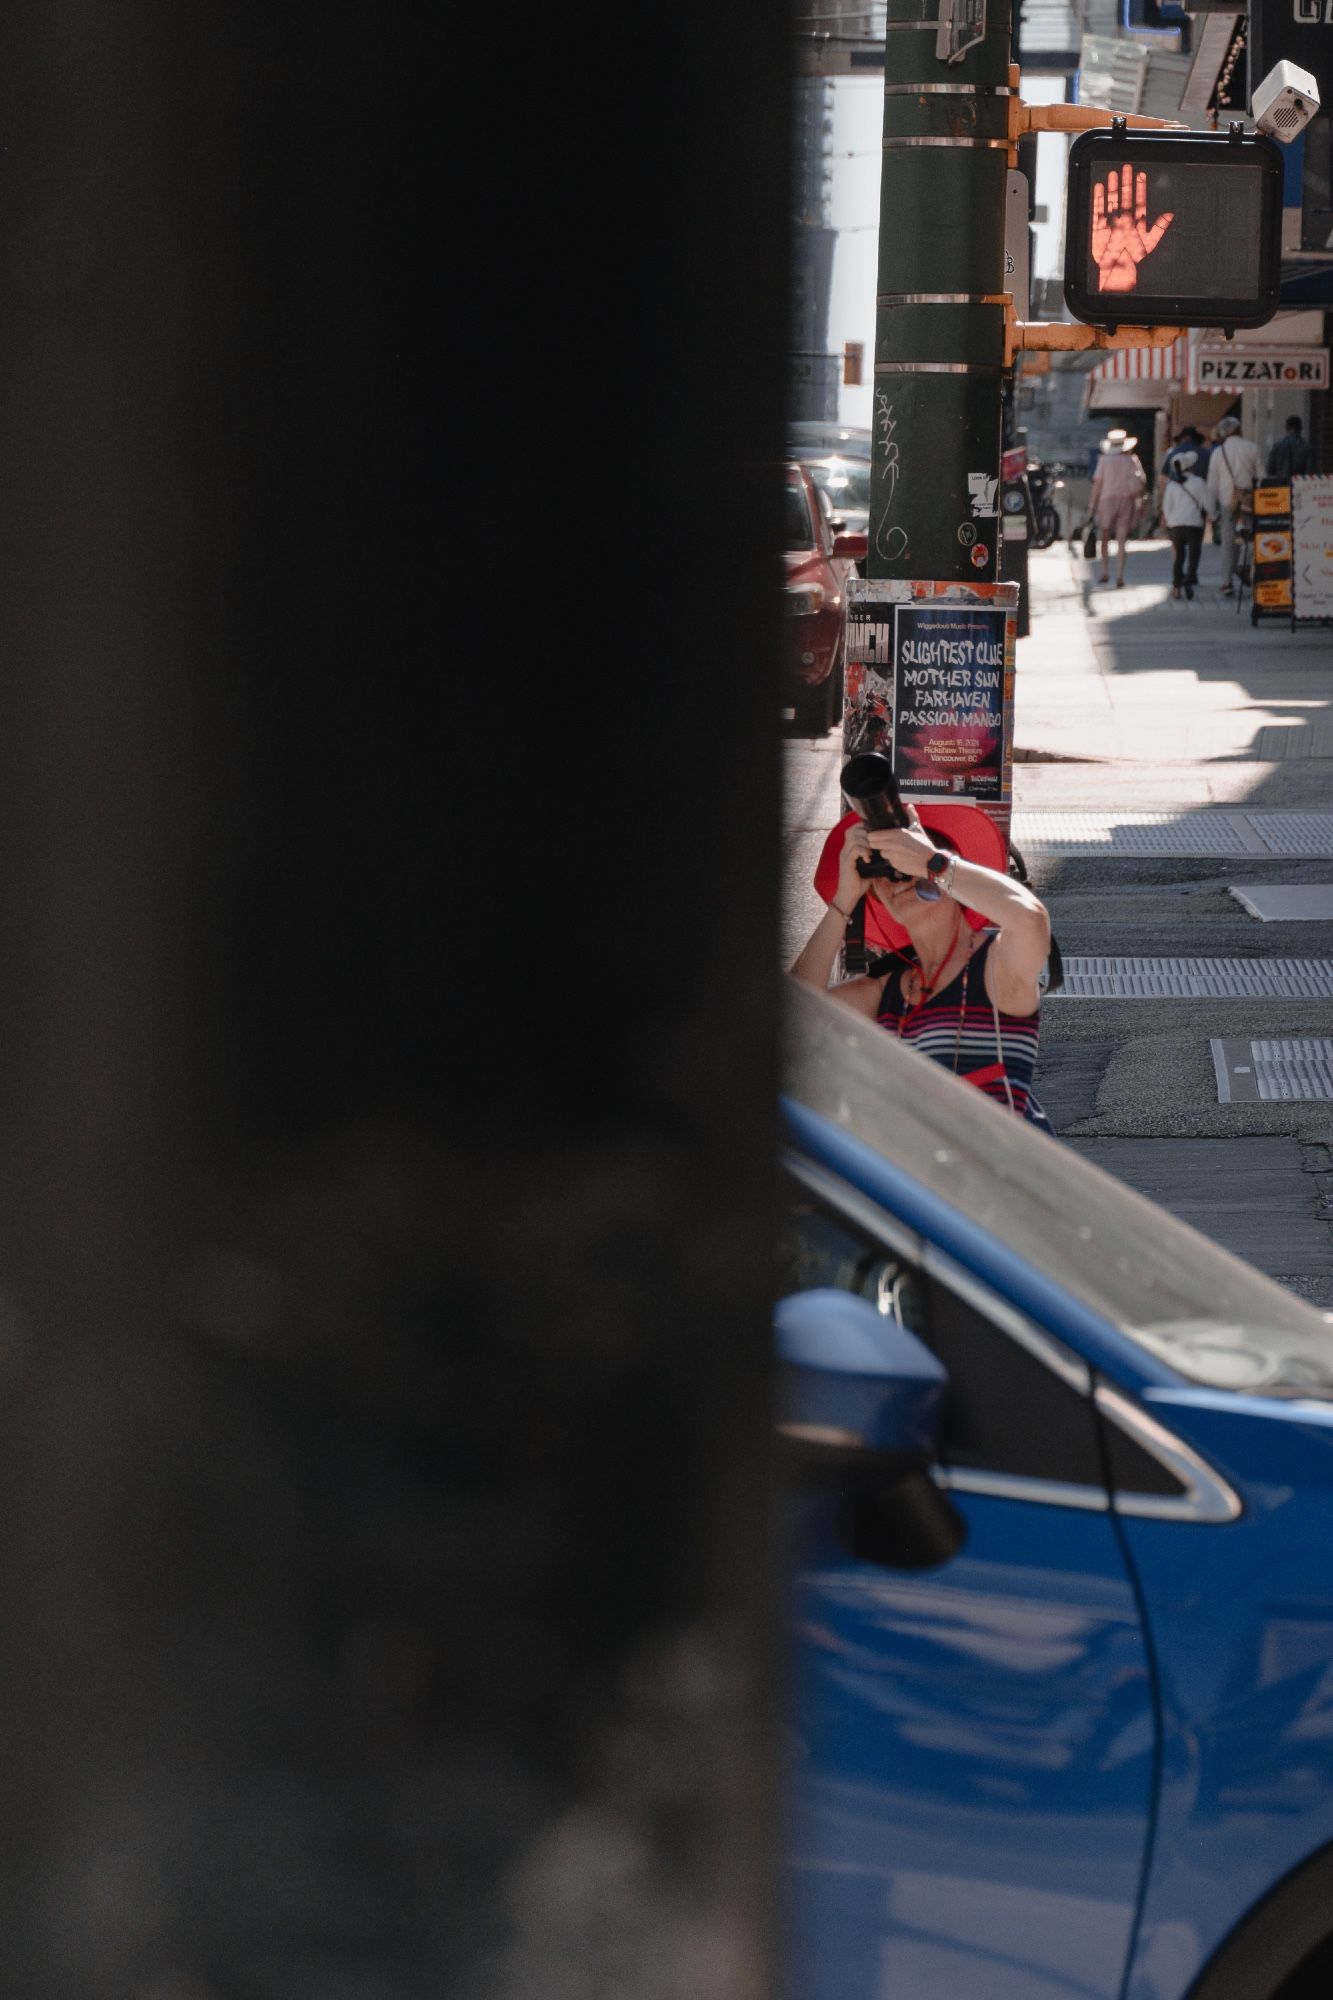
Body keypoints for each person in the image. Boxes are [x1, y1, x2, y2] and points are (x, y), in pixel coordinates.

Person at [789, 798, 1055, 1130]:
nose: (895, 879)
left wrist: (932, 862)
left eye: (906, 867)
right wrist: (844, 899)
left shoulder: (993, 965)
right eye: (882, 869)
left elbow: (1031, 921)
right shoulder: (889, 989)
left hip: (998, 1178)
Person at [1206, 414, 1262, 598]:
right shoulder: (1252, 448)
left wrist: (1211, 511)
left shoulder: (1218, 453)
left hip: (1227, 502)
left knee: (1228, 543)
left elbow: (1212, 484)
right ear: (1239, 430)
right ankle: (1250, 572)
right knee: (1252, 539)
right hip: (1249, 501)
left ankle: (1227, 582)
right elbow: (1262, 476)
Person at [1088, 426, 1147, 588]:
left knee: (1104, 538)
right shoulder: (1131, 460)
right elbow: (1140, 482)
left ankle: (1104, 572)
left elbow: (1098, 484)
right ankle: (1120, 575)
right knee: (1122, 540)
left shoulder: (1104, 460)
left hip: (1106, 500)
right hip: (1126, 500)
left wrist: (1092, 505)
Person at [1160, 449, 1215, 601]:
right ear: (1190, 466)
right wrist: (1213, 516)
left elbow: (1166, 507)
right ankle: (1189, 580)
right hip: (1194, 524)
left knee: (1178, 557)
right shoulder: (1199, 482)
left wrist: (1171, 522)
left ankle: (1176, 588)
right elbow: (1208, 504)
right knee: (1194, 555)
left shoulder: (1172, 485)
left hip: (1176, 525)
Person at [1266, 414, 1313, 482]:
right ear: (1301, 428)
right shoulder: (1307, 446)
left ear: (1287, 428)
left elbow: (1270, 468)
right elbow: (1309, 470)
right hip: (1299, 485)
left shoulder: (1278, 445)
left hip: (1280, 484)